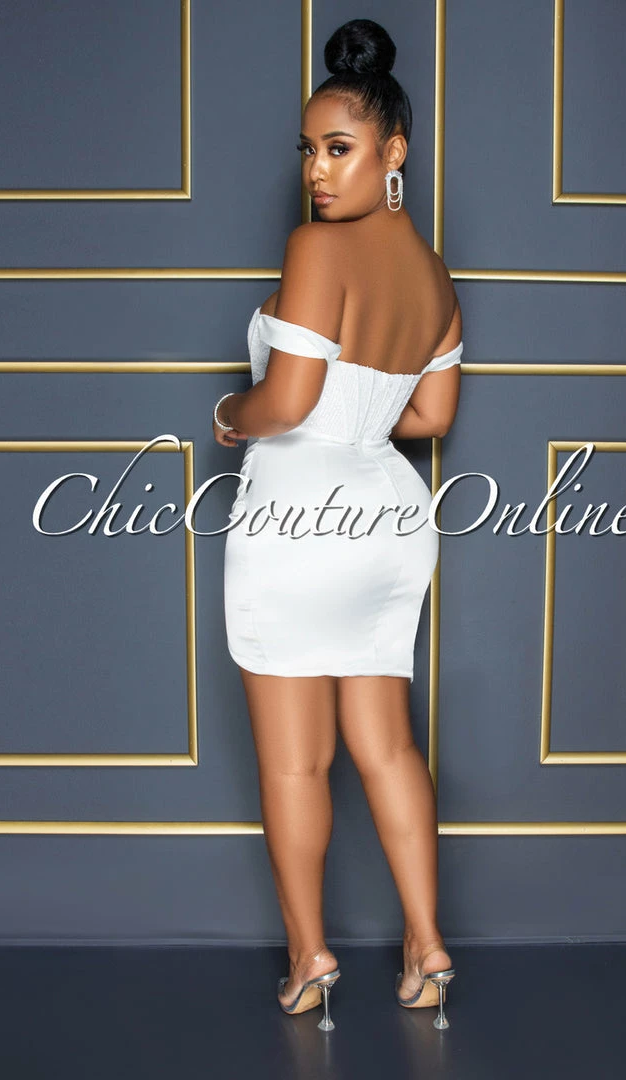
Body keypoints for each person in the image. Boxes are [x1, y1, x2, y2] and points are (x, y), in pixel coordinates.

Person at [211, 19, 462, 1032]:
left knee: (294, 761)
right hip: (389, 517)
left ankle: (310, 958)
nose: (316, 170)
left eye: (339, 147)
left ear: (393, 151)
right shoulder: (436, 276)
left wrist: (231, 413)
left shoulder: (315, 249)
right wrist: (360, 413)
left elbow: (286, 402)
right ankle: (427, 945)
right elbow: (430, 417)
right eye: (309, 150)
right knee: (387, 747)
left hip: (299, 515)